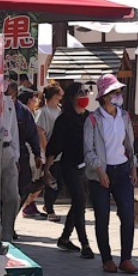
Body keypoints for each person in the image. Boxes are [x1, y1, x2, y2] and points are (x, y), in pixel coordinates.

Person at [84, 73, 138, 274]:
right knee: (102, 217)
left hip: (123, 169)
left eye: (119, 91)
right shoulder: (93, 119)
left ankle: (126, 258)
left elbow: (130, 144)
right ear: (104, 96)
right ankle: (106, 259)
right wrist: (99, 170)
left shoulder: (124, 116)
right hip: (101, 173)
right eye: (113, 92)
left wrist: (133, 166)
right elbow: (88, 150)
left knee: (127, 214)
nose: (118, 95)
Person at [48, 81, 93, 259]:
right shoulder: (64, 119)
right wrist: (46, 169)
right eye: (80, 93)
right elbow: (54, 145)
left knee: (79, 202)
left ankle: (65, 237)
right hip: (69, 166)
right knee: (80, 201)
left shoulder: (89, 117)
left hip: (87, 165)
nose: (84, 96)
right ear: (72, 97)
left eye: (86, 93)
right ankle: (85, 243)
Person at [0, 82, 22, 242]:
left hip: (8, 149)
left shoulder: (8, 101)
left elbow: (14, 129)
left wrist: (16, 154)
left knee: (13, 197)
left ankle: (7, 237)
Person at [16, 89, 44, 219]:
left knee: (25, 185)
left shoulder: (24, 111)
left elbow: (32, 134)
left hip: (22, 152)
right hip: (6, 151)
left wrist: (37, 153)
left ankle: (10, 221)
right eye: (34, 99)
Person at [37, 83, 64, 221]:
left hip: (59, 151)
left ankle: (49, 206)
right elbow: (40, 132)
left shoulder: (59, 110)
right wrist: (47, 151)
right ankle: (50, 209)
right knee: (51, 181)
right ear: (54, 95)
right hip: (49, 150)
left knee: (59, 180)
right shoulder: (43, 111)